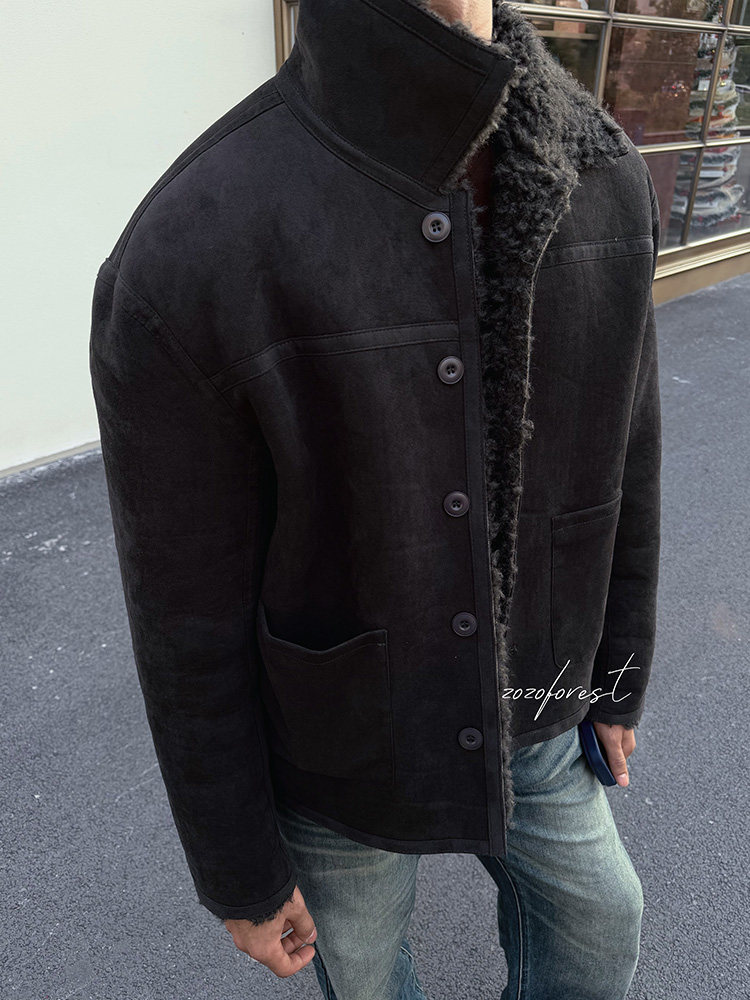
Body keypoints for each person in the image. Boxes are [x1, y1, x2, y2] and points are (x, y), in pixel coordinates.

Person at [89, 0, 661, 996]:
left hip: (533, 694)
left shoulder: (602, 173)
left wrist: (616, 677)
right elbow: (183, 612)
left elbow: (629, 454)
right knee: (361, 972)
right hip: (338, 745)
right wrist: (239, 868)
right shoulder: (196, 241)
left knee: (600, 924)